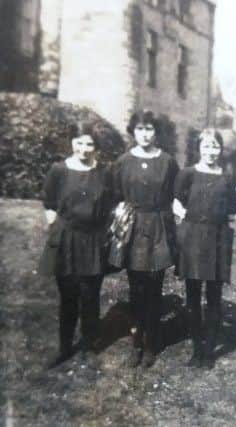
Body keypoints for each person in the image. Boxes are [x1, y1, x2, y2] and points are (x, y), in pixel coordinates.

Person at [39, 121, 113, 368]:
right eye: (79, 142)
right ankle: (65, 347)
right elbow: (48, 202)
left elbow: (113, 202)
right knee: (68, 295)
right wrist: (56, 227)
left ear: (96, 147)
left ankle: (90, 343)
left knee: (90, 295)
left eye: (89, 143)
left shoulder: (104, 172)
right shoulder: (59, 170)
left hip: (93, 240)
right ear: (72, 143)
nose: (83, 148)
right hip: (66, 240)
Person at [113, 110, 179, 368]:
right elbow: (116, 194)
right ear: (133, 131)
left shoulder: (168, 162)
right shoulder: (123, 161)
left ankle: (151, 343)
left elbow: (176, 193)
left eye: (149, 129)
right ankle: (136, 342)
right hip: (133, 227)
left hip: (158, 227)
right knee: (136, 288)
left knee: (154, 287)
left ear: (156, 132)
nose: (145, 134)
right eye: (140, 129)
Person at [174, 128, 236, 369]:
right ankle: (196, 349)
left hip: (217, 239)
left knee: (213, 297)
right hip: (192, 239)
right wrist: (187, 222)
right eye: (206, 146)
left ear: (220, 150)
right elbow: (176, 200)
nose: (211, 151)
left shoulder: (228, 177)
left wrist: (226, 241)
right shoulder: (188, 174)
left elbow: (233, 210)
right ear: (199, 148)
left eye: (215, 147)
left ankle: (209, 351)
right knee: (192, 295)